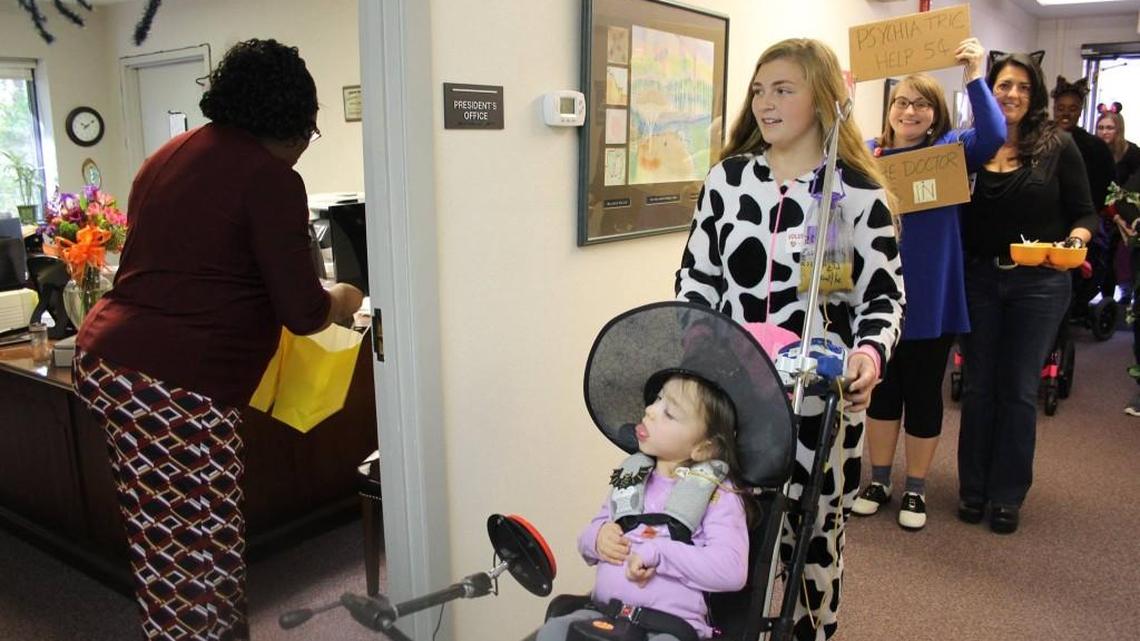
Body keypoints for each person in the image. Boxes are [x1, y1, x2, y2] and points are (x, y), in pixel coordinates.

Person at [72, 39, 364, 640]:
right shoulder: (269, 179)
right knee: (197, 546)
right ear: (290, 120)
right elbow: (305, 312)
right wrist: (346, 296)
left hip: (112, 362)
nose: (306, 145)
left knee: (165, 534)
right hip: (172, 384)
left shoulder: (172, 153)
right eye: (309, 130)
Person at [675, 38, 904, 640]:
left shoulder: (857, 195)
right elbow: (696, 279)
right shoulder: (728, 181)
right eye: (758, 91)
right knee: (719, 528)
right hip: (732, 399)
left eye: (783, 90)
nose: (765, 103)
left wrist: (868, 355)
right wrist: (697, 351)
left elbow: (882, 299)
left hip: (818, 405)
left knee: (813, 541)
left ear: (824, 100)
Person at [853, 38, 1004, 531]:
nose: (910, 111)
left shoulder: (950, 151)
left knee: (922, 392)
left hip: (930, 296)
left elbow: (994, 134)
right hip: (876, 294)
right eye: (902, 101)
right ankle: (878, 481)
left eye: (922, 104)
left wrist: (975, 74)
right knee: (881, 391)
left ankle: (915, 489)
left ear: (935, 114)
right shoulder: (869, 154)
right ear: (889, 109)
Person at [957, 51, 1097, 535]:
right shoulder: (971, 146)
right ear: (988, 91)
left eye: (1022, 86)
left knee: (1018, 389)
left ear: (1034, 94)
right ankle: (972, 488)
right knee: (978, 386)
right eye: (1003, 85)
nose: (1012, 94)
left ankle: (1006, 494)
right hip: (978, 279)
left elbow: (1085, 212)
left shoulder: (1057, 145)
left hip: (1039, 283)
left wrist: (1076, 241)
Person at [536, 373, 748, 641]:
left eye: (669, 413)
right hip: (605, 615)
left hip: (668, 629)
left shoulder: (718, 493)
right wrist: (599, 538)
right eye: (657, 399)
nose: (650, 410)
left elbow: (731, 571)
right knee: (554, 631)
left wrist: (659, 553)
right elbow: (586, 540)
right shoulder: (631, 479)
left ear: (703, 448)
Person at [1096, 106, 1140, 185]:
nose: (1104, 132)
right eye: (1100, 128)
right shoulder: (1092, 149)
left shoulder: (1133, 152)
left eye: (1109, 128)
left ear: (1119, 129)